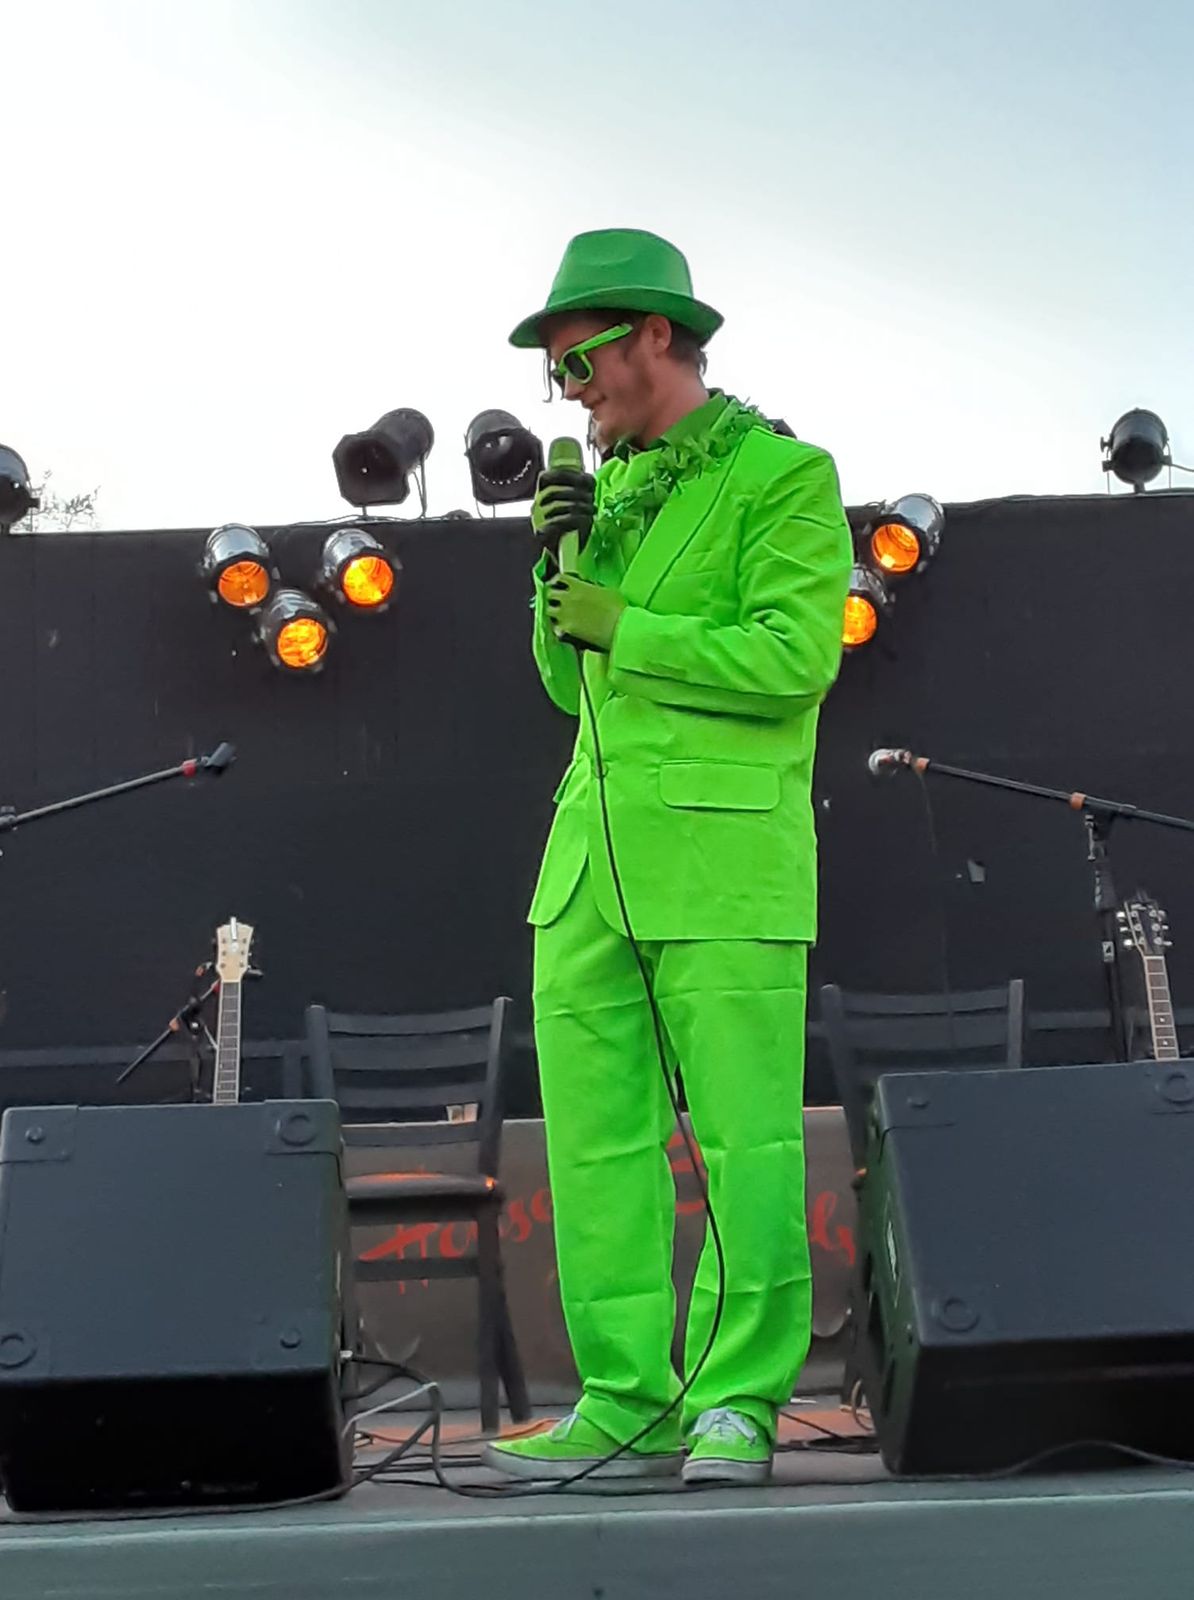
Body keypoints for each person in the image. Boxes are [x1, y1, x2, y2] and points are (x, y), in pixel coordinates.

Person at [484, 228, 852, 1485]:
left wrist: (626, 623)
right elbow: (567, 686)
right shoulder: (609, 499)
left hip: (724, 857)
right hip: (589, 866)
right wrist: (561, 578)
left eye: (577, 360)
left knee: (748, 1141)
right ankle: (626, 1398)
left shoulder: (781, 474)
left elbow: (795, 657)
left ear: (655, 335)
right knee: (594, 1147)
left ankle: (738, 1397)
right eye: (553, 371)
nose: (568, 390)